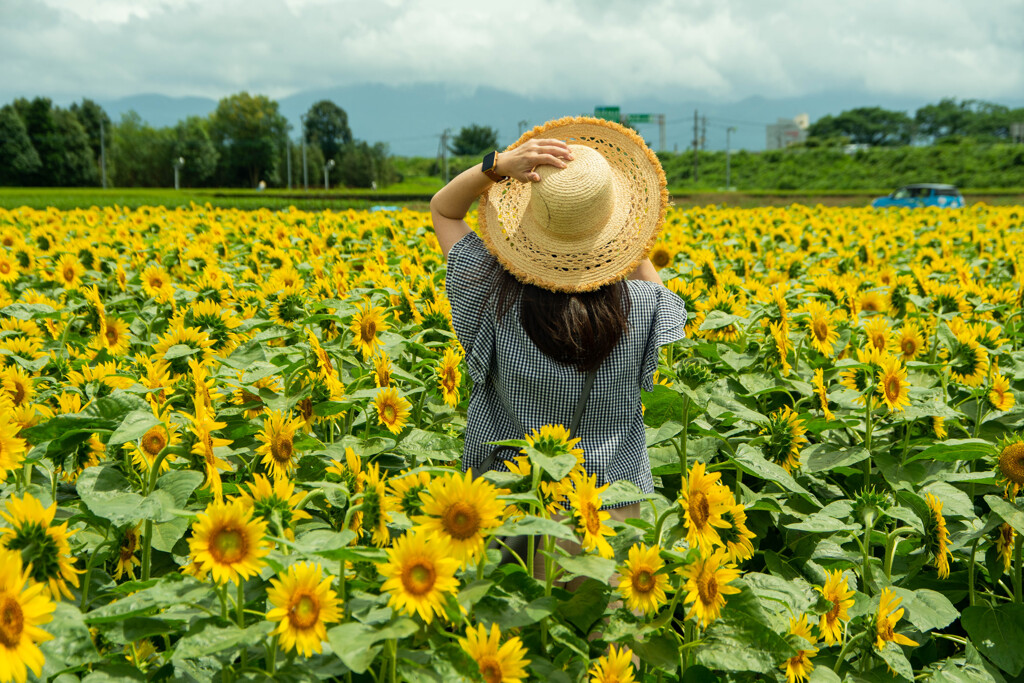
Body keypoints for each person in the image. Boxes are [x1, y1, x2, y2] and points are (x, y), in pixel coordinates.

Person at [429, 115, 687, 600]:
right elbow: (669, 308)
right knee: (608, 656)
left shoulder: (486, 290)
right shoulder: (646, 307)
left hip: (513, 503)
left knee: (518, 645)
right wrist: (620, 239)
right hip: (609, 508)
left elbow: (444, 210)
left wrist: (498, 165)